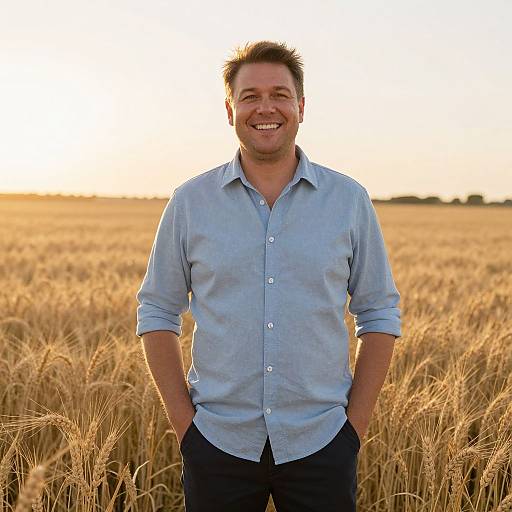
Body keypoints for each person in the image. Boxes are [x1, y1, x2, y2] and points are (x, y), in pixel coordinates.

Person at [135, 40, 402, 512]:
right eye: (250, 95)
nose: (265, 108)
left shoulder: (348, 200)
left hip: (321, 443)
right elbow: (157, 310)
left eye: (279, 94)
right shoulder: (190, 202)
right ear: (229, 108)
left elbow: (379, 313)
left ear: (301, 106)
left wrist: (352, 431)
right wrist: (187, 430)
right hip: (218, 444)